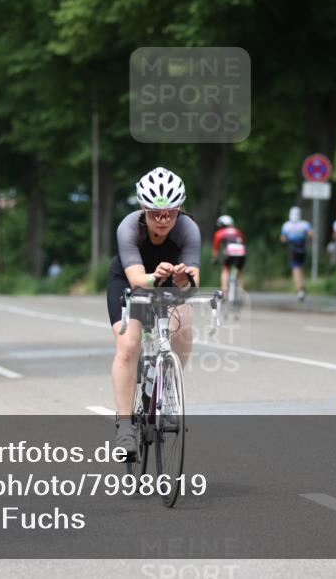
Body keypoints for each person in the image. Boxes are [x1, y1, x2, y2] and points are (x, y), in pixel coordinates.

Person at [106, 167, 200, 460]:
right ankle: (123, 427)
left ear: (180, 210)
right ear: (143, 209)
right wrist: (153, 275)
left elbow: (193, 279)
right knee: (129, 345)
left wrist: (184, 278)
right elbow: (136, 280)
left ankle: (162, 387)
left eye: (170, 213)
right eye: (155, 214)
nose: (163, 220)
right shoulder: (128, 227)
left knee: (184, 328)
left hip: (169, 281)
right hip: (130, 281)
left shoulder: (189, 229)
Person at [280, 206, 313, 301]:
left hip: (293, 249)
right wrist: (307, 240)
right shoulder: (305, 224)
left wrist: (289, 238)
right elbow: (311, 234)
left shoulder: (287, 225)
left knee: (295, 268)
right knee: (301, 268)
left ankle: (300, 290)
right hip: (302, 248)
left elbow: (283, 239)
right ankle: (302, 286)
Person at [212, 215, 246, 298]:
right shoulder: (238, 231)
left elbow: (216, 249)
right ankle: (241, 294)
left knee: (226, 270)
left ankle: (224, 294)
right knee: (239, 272)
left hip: (229, 253)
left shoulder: (219, 233)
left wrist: (215, 259)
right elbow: (243, 242)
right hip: (241, 253)